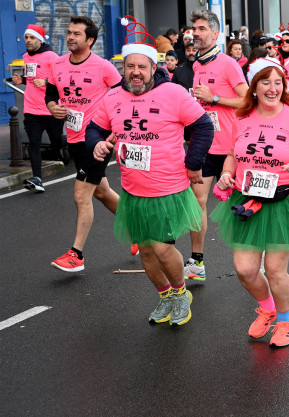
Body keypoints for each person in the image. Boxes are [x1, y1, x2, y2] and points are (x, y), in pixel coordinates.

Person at [87, 29, 214, 325]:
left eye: (142, 67)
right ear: (123, 68)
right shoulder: (113, 96)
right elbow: (93, 128)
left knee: (160, 247)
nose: (135, 73)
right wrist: (97, 143)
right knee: (145, 252)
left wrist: (194, 163)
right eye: (130, 66)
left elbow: (204, 127)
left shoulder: (173, 93)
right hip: (133, 190)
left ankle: (182, 294)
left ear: (153, 68)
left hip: (168, 188)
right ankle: (166, 296)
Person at [210, 58, 289, 347]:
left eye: (278, 82)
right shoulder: (242, 117)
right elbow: (232, 155)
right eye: (265, 82)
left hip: (284, 201)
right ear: (254, 87)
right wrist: (227, 174)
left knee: (275, 269)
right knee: (245, 269)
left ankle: (286, 322)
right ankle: (268, 308)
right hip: (247, 199)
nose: (273, 88)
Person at [46, 16, 126, 272]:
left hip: (96, 140)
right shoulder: (57, 64)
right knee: (101, 192)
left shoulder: (103, 67)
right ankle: (140, 231)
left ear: (90, 40)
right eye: (69, 32)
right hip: (73, 138)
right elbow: (50, 93)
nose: (70, 37)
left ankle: (76, 254)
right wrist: (53, 107)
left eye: (77, 34)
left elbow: (122, 98)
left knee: (81, 196)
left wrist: (112, 134)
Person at [186, 9, 249, 281]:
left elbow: (246, 100)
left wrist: (214, 97)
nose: (196, 33)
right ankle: (197, 262)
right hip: (204, 145)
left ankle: (253, 258)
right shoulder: (197, 64)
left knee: (241, 205)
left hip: (231, 148)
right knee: (196, 201)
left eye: (201, 29)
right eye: (194, 29)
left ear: (215, 33)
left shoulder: (227, 64)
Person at [12, 24, 64, 193]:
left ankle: (69, 147)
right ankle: (37, 179)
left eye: (32, 37)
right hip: (31, 108)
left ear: (39, 40)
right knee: (34, 143)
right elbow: (33, 77)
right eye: (26, 37)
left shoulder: (51, 57)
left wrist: (47, 82)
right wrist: (23, 80)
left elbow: (62, 77)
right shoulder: (26, 57)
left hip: (51, 108)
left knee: (56, 142)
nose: (28, 40)